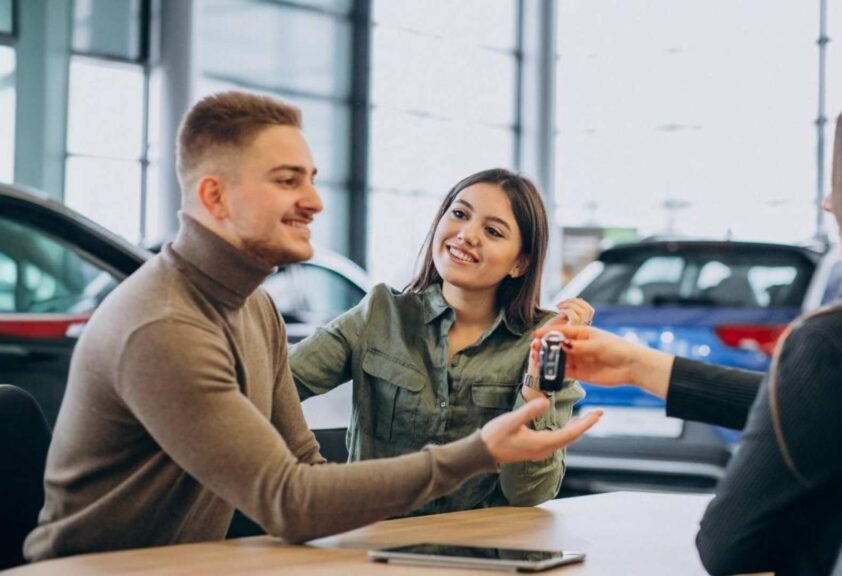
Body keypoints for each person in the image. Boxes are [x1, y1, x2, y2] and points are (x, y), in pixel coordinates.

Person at [23, 92, 601, 562]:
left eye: (311, 178)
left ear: (522, 261)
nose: (316, 201)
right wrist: (476, 451)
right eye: (287, 180)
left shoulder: (253, 307)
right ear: (214, 196)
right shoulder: (164, 324)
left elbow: (302, 465)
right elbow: (288, 499)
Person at [533, 75, 842, 576]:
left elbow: (728, 546)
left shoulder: (838, 346)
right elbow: (823, 407)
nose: (829, 203)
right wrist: (641, 366)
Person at [288, 168, 591, 515]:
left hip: (486, 553)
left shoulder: (543, 341)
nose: (467, 235)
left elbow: (529, 492)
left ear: (520, 264)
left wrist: (538, 380)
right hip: (376, 543)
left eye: (492, 231)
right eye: (460, 214)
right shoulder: (381, 313)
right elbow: (277, 385)